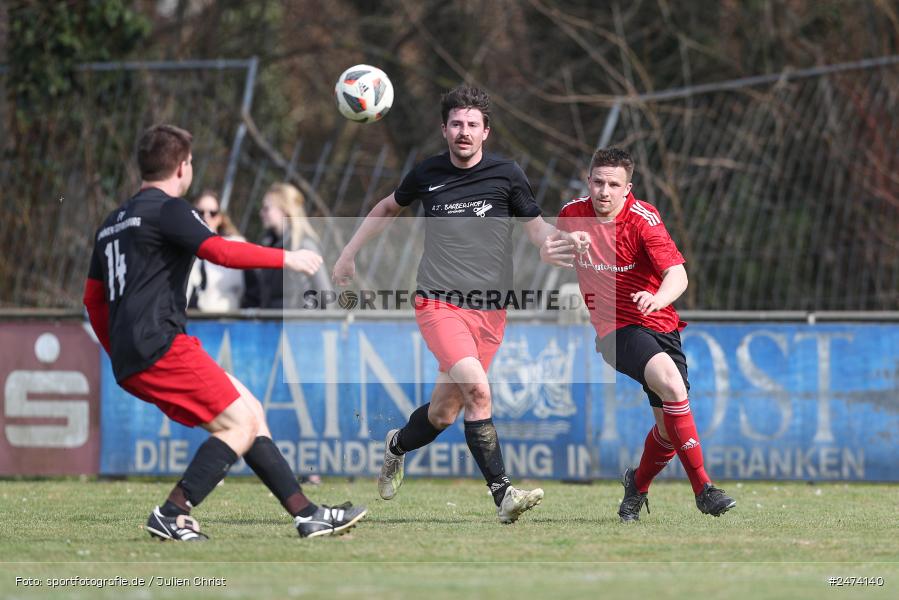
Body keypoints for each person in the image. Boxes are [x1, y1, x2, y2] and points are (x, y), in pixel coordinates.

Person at [82, 124, 366, 540]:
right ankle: (172, 511)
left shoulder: (111, 223)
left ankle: (307, 514)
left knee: (251, 412)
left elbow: (93, 300)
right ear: (182, 168)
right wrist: (287, 257)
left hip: (136, 354)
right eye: (191, 162)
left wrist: (120, 353)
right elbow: (220, 251)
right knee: (237, 426)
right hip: (160, 346)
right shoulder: (169, 209)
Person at [333, 85, 581, 524]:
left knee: (443, 414)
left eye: (472, 125)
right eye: (456, 124)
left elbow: (536, 228)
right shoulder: (427, 173)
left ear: (486, 131)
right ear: (443, 129)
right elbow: (388, 208)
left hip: (491, 310)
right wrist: (349, 253)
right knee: (479, 391)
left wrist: (553, 244)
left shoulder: (508, 174)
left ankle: (396, 446)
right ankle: (503, 495)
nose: (463, 132)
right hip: (438, 303)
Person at [546, 147, 736, 521]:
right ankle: (704, 489)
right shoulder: (572, 214)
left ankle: (637, 485)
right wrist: (560, 249)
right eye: (598, 182)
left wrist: (657, 298)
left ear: (627, 187)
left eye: (613, 184)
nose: (604, 191)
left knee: (668, 430)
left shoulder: (643, 219)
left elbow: (678, 274)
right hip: (614, 328)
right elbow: (547, 251)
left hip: (660, 324)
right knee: (673, 385)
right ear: (588, 182)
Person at [242, 182, 333, 309]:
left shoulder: (304, 245)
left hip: (297, 325)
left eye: (267, 208)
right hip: (272, 325)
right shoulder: (268, 244)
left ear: (285, 210)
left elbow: (324, 293)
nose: (261, 213)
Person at [186, 191, 245, 312]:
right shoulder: (184, 248)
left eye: (212, 213)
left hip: (226, 321)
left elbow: (252, 290)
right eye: (200, 212)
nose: (206, 217)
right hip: (191, 319)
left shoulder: (236, 245)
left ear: (220, 218)